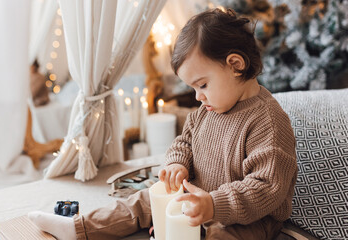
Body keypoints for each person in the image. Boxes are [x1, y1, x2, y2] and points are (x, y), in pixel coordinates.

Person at [28, 7, 297, 240]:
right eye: (193, 87)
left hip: (249, 220)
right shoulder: (207, 108)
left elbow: (266, 188)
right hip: (195, 197)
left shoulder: (268, 122)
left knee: (217, 235)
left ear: (236, 65)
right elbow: (185, 141)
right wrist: (177, 163)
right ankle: (78, 228)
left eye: (202, 84)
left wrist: (213, 205)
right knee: (142, 201)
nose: (198, 96)